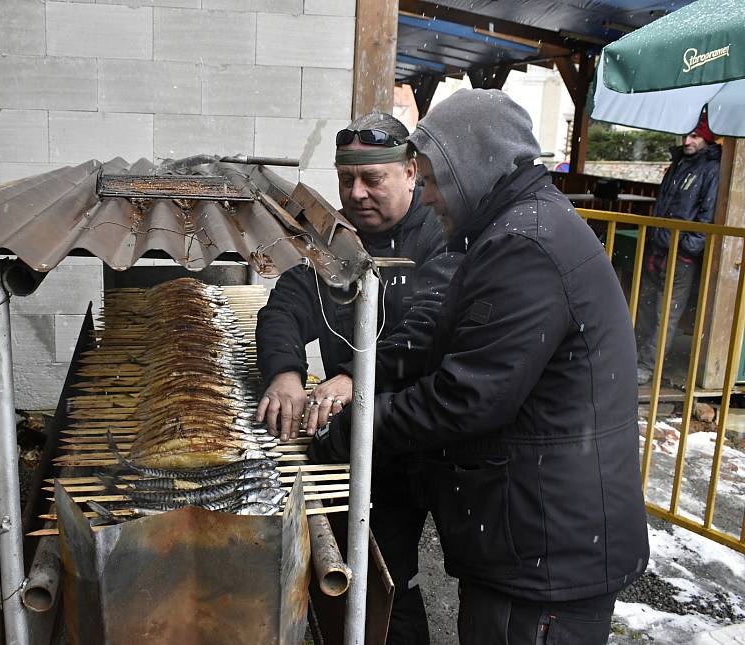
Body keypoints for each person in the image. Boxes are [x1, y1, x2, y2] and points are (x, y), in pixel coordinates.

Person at [309, 89, 650, 644]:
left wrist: (351, 431)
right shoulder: (515, 229)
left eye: (437, 180)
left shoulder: (526, 246)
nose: (429, 195)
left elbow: (466, 397)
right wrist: (363, 377)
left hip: (544, 553)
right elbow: (439, 331)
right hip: (538, 532)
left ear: (474, 168)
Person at [255, 112, 462, 644]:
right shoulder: (337, 239)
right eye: (348, 180)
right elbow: (286, 303)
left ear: (411, 172)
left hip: (412, 437)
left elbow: (428, 329)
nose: (358, 193)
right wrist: (284, 372)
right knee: (356, 561)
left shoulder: (439, 236)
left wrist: (354, 377)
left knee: (389, 570)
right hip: (353, 431)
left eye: (374, 179)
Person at [635, 113, 721, 385]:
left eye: (694, 136)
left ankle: (647, 366)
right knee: (647, 307)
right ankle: (636, 358)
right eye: (686, 135)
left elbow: (707, 215)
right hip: (659, 247)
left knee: (666, 314)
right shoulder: (679, 164)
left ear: (706, 139)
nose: (687, 141)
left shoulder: (711, 170)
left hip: (680, 254)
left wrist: (686, 246)